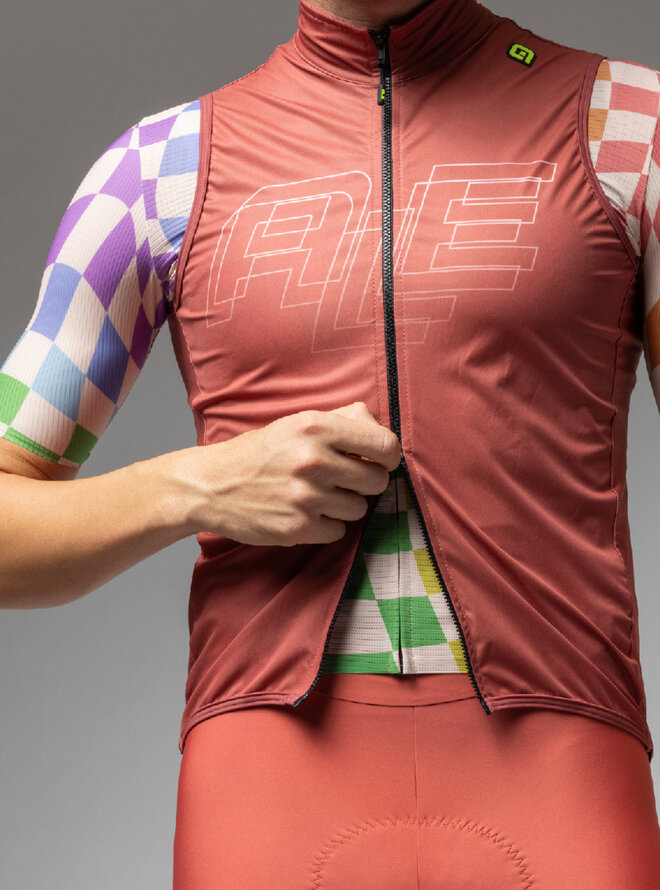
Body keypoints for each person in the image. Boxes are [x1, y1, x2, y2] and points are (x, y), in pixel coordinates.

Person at [1, 0, 659, 885]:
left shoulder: (631, 128)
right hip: (268, 788)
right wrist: (196, 486)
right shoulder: (159, 170)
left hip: (564, 773)